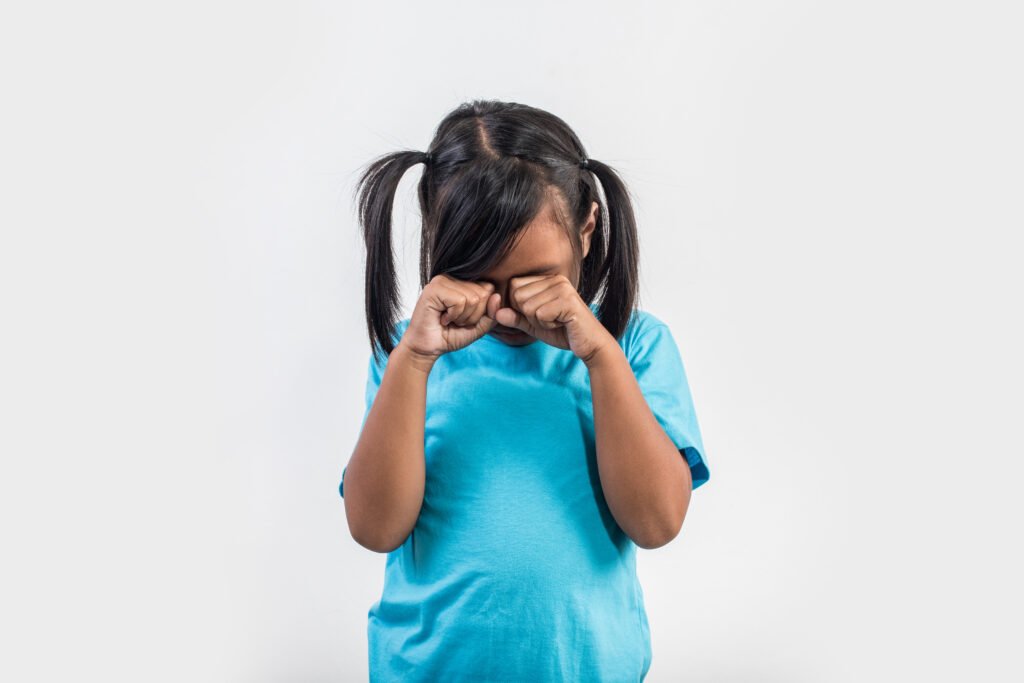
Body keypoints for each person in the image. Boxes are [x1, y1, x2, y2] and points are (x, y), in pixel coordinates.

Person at [339, 99, 710, 681]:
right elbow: (375, 527)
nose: (511, 308)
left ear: (587, 230)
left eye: (536, 279)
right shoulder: (408, 352)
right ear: (438, 235)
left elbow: (657, 521)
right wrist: (411, 363)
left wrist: (600, 357)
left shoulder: (634, 347)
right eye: (479, 277)